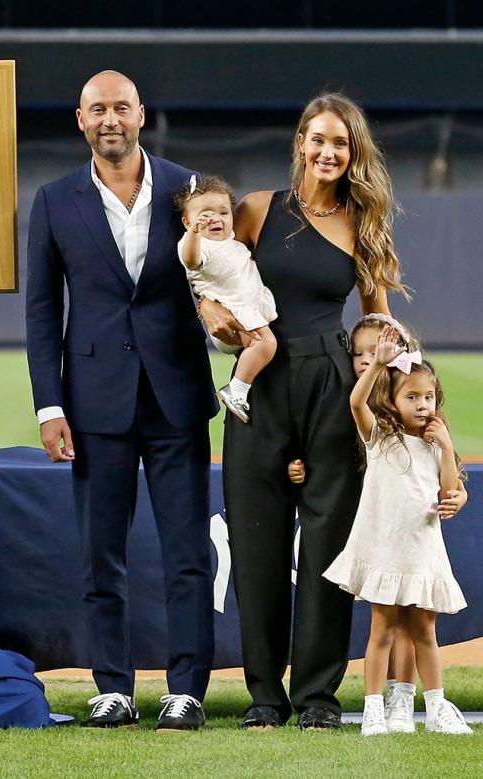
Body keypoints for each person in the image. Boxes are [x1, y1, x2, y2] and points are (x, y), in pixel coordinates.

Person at [199, 93, 407, 729]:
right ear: (300, 144)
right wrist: (210, 316)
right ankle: (266, 695)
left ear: (352, 154)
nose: (328, 151)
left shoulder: (363, 225)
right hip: (260, 379)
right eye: (318, 139)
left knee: (327, 543)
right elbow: (209, 274)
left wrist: (397, 375)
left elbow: (376, 317)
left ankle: (318, 697)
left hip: (331, 381)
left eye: (340, 143)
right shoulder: (257, 209)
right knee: (257, 539)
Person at [25, 70, 218, 732]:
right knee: (100, 549)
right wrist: (49, 406)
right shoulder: (53, 200)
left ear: (142, 114)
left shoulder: (185, 190)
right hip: (92, 402)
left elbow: (217, 278)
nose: (111, 118)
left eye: (122, 108)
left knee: (188, 548)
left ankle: (186, 687)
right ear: (80, 119)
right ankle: (113, 685)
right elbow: (43, 312)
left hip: (177, 395)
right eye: (98, 109)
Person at [288, 314, 468, 733]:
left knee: (424, 628)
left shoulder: (434, 442)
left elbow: (448, 490)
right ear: (392, 400)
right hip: (385, 549)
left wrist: (445, 444)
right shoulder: (381, 438)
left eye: (429, 397)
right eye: (413, 397)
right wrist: (381, 365)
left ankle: (437, 707)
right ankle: (374, 709)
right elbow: (356, 403)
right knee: (383, 627)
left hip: (421, 551)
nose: (423, 406)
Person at [175, 174, 277, 423]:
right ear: (187, 221)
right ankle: (237, 390)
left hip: (248, 309)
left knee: (264, 347)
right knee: (267, 344)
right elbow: (190, 260)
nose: (215, 218)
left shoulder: (232, 242)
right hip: (231, 317)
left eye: (223, 212)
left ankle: (242, 388)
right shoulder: (198, 245)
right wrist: (193, 234)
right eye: (205, 214)